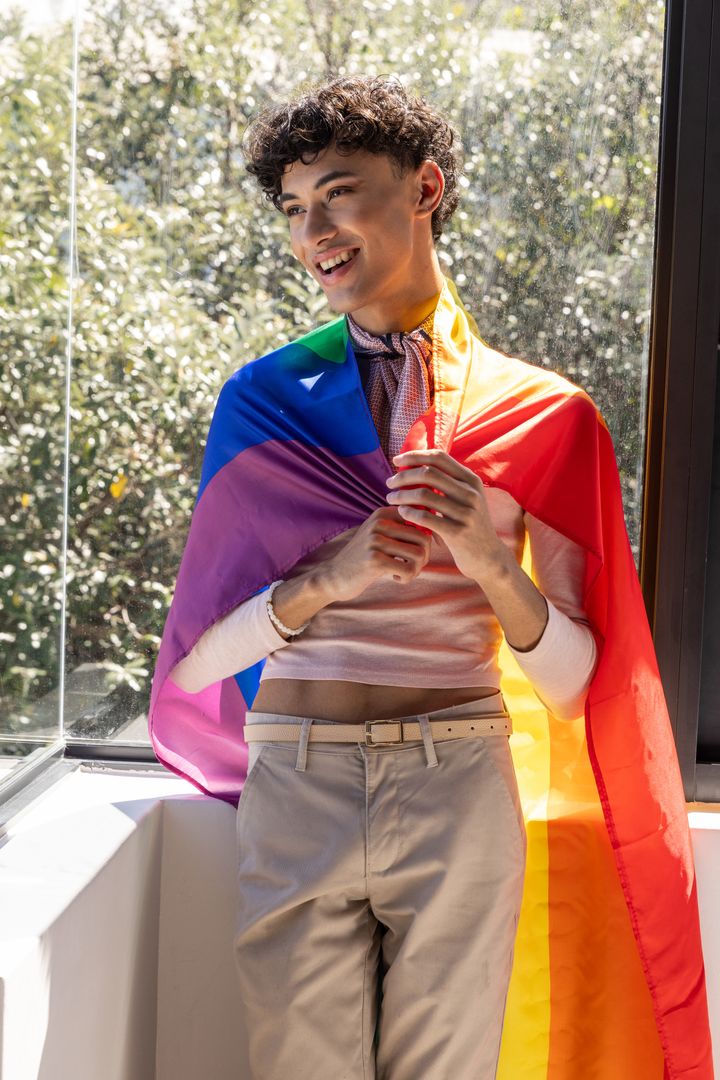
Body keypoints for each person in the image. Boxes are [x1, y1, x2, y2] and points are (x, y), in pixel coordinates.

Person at [148, 75, 713, 1080]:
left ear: (426, 187)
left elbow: (577, 684)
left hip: (458, 781)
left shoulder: (545, 415)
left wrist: (490, 561)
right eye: (292, 208)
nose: (312, 228)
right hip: (299, 775)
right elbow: (193, 670)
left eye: (337, 192)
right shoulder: (264, 403)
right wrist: (329, 576)